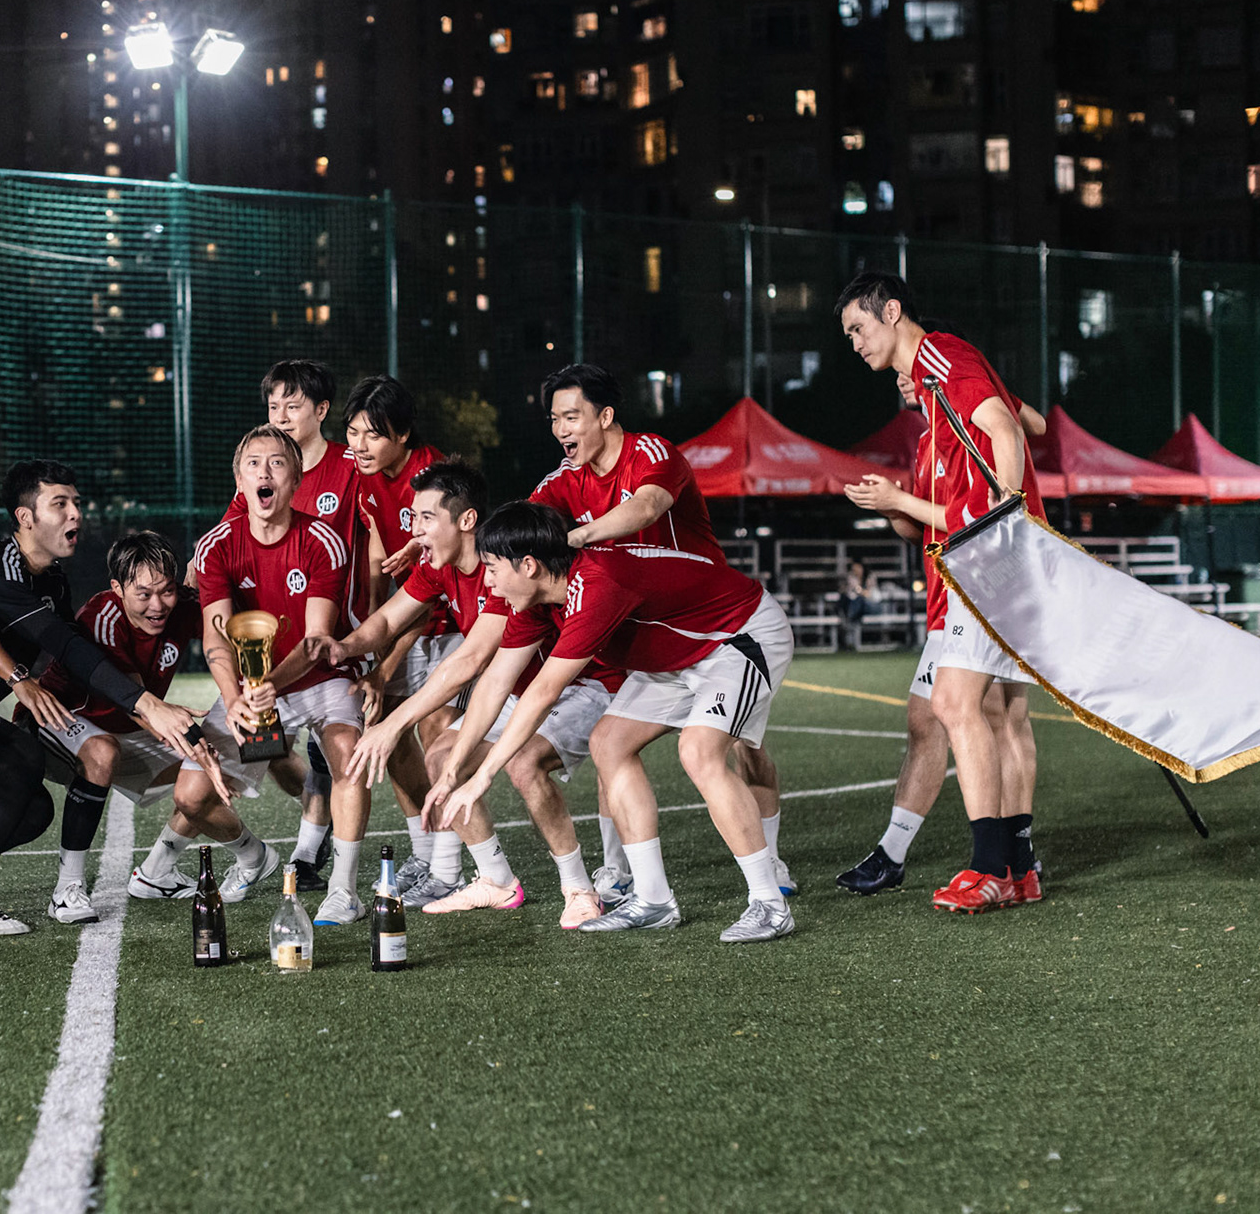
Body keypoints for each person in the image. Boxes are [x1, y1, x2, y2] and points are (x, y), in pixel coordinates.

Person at [0, 460, 212, 935]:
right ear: (26, 518)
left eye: (76, 504)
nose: (75, 516)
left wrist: (138, 699)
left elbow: (75, 646)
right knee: (21, 760)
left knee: (32, 812)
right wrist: (144, 702)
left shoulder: (50, 580)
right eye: (60, 504)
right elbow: (64, 644)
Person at [430, 502, 797, 942]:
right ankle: (654, 900)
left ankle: (769, 904)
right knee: (609, 742)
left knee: (698, 751)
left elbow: (543, 694)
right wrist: (454, 770)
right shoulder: (538, 597)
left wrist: (481, 777)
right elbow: (495, 682)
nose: (486, 581)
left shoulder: (596, 586)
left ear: (528, 565)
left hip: (738, 636)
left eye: (492, 567)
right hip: (677, 657)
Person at [309, 460, 614, 928]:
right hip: (520, 686)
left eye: (427, 518)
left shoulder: (501, 571)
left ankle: (578, 887)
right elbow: (389, 621)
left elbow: (468, 663)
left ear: (467, 520)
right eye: (413, 517)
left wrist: (394, 725)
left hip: (581, 683)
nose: (414, 530)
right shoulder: (439, 568)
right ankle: (496, 880)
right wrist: (344, 646)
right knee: (441, 756)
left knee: (523, 763)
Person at [529, 362, 793, 899]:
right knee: (610, 740)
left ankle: (771, 871)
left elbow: (646, 505)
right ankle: (624, 875)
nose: (560, 429)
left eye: (571, 417)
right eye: (554, 419)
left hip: (714, 624)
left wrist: (578, 538)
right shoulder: (562, 480)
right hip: (645, 632)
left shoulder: (650, 454)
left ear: (605, 416)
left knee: (739, 747)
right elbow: (520, 528)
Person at [838, 270, 1048, 913]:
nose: (854, 343)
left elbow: (1011, 434)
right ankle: (1016, 868)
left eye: (858, 328)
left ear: (893, 312)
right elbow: (1027, 419)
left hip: (991, 563)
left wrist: (1005, 515)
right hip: (999, 562)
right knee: (1001, 714)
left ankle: (989, 868)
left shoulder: (940, 356)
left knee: (954, 707)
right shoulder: (936, 391)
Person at [133, 426, 353, 915]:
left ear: (296, 479)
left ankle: (346, 885)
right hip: (255, 688)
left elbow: (317, 641)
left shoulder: (322, 541)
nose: (264, 471)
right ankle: (257, 857)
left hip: (318, 678)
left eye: (277, 463)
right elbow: (217, 633)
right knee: (193, 795)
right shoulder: (217, 547)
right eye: (253, 463)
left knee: (345, 755)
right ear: (239, 480)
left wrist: (269, 685)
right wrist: (234, 699)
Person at [213, 360, 361, 888]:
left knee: (361, 748)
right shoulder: (260, 471)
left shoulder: (350, 466)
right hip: (275, 646)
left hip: (341, 632)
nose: (279, 416)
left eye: (290, 406)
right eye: (272, 406)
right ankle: (305, 848)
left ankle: (428, 855)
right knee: (273, 750)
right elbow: (233, 537)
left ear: (321, 411)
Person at [39, 531, 206, 921]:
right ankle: (67, 890)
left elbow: (221, 624)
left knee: (212, 774)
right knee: (102, 753)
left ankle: (156, 873)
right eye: (143, 594)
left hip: (123, 726)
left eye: (165, 591)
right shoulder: (101, 617)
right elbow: (134, 701)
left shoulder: (179, 605)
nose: (157, 605)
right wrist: (186, 738)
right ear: (117, 588)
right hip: (62, 717)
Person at [344, 375, 457, 891]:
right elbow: (374, 549)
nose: (359, 445)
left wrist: (386, 658)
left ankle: (452, 868)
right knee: (389, 733)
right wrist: (373, 633)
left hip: (451, 623)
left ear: (404, 435)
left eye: (372, 434)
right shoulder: (366, 477)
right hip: (407, 613)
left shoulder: (435, 478)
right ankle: (426, 852)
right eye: (352, 432)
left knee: (437, 733)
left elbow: (431, 594)